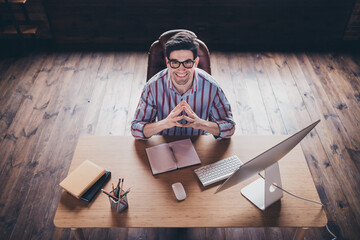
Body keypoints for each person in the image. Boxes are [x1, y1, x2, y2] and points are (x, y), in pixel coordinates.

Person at [131, 31, 235, 140]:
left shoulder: (212, 86)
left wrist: (202, 124)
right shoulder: (152, 86)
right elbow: (135, 129)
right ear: (167, 62)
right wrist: (164, 124)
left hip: (199, 145)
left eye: (187, 62)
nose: (181, 69)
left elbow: (230, 127)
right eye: (175, 62)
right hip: (164, 144)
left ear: (196, 62)